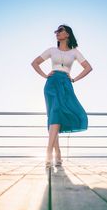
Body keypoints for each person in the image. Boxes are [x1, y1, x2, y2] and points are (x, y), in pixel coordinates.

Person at [31, 24, 93, 167]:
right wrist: (44, 75)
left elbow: (88, 67)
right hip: (51, 84)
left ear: (67, 34)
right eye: (56, 32)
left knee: (57, 114)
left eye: (60, 31)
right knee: (54, 115)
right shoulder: (51, 50)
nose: (57, 34)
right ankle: (54, 153)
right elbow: (34, 63)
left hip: (65, 84)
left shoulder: (75, 52)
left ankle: (53, 152)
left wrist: (74, 79)